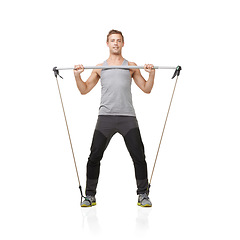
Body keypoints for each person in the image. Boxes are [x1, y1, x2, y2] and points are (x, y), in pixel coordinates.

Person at [74, 29, 155, 207]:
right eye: (112, 40)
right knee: (94, 156)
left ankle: (143, 194)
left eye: (118, 40)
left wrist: (152, 74)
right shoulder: (99, 67)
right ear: (107, 43)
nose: (116, 43)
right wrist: (77, 76)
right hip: (105, 118)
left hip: (128, 117)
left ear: (123, 43)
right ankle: (90, 195)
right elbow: (84, 89)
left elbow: (147, 89)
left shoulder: (131, 66)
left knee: (139, 156)